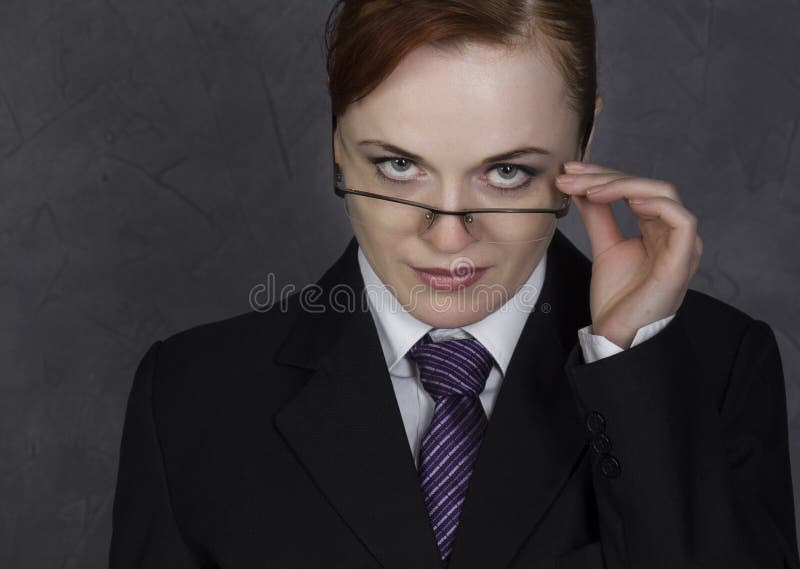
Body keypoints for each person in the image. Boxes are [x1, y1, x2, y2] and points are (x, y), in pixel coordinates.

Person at [109, 1, 799, 568]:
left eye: (507, 173)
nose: (447, 236)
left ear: (584, 141)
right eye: (399, 166)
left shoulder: (716, 369)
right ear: (335, 140)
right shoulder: (189, 396)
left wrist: (625, 363)